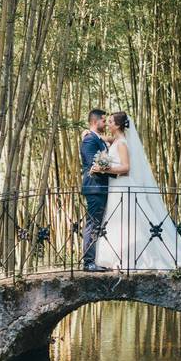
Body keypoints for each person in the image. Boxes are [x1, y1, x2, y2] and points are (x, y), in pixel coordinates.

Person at [90, 111, 181, 273]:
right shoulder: (117, 139)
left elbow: (126, 167)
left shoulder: (122, 143)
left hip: (123, 185)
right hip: (116, 187)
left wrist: (105, 169)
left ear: (117, 125)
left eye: (110, 122)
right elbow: (107, 139)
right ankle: (119, 257)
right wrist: (92, 134)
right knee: (119, 220)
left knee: (131, 221)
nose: (107, 124)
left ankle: (134, 257)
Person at [79, 108, 115, 272]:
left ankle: (94, 259)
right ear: (95, 122)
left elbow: (111, 140)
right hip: (94, 187)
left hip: (101, 186)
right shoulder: (89, 140)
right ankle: (88, 262)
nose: (105, 124)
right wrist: (109, 167)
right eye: (103, 121)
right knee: (92, 225)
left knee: (97, 224)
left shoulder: (97, 138)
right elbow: (92, 163)